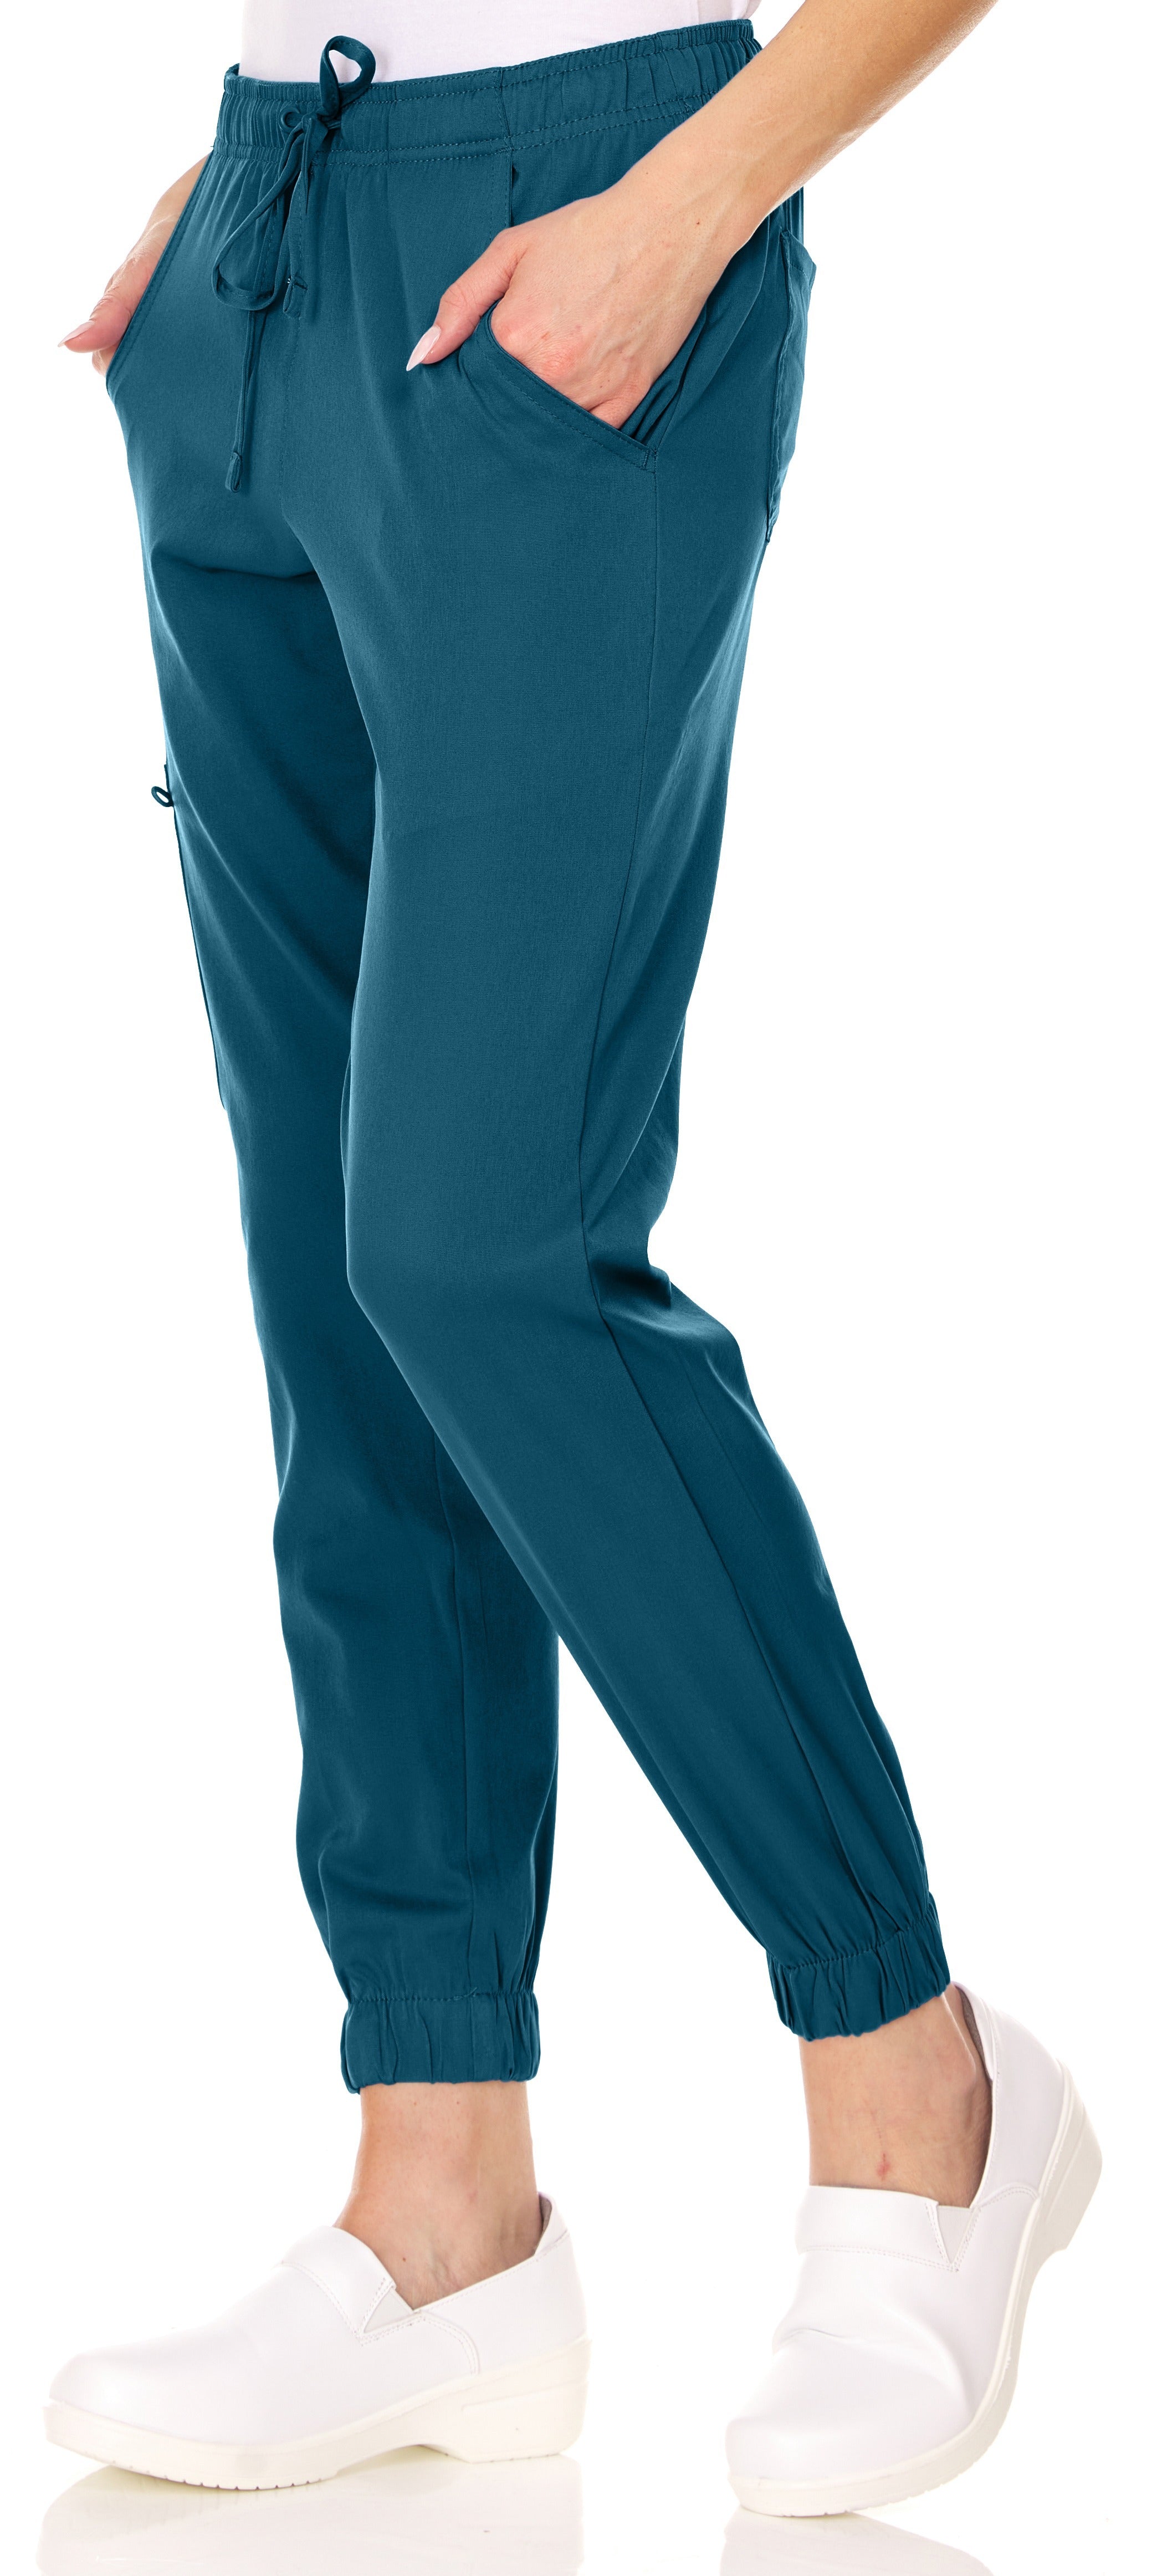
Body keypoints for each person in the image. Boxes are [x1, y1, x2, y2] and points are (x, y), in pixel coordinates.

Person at [47, 0, 1098, 2518]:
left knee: (478, 1245)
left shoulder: (648, 214)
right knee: (341, 1289)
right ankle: (442, 2211)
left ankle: (916, 2077)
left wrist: (699, 193)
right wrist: (246, 212)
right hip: (260, 251)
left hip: (595, 215)